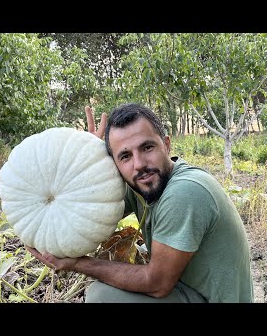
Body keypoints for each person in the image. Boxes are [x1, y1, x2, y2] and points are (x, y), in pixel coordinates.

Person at [26, 103, 254, 303]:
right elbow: (88, 208)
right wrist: (87, 162)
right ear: (114, 163)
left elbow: (157, 284)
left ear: (166, 145)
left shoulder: (185, 192)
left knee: (102, 297)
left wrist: (79, 264)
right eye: (125, 156)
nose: (139, 164)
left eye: (147, 148)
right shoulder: (141, 185)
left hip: (205, 297)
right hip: (189, 288)